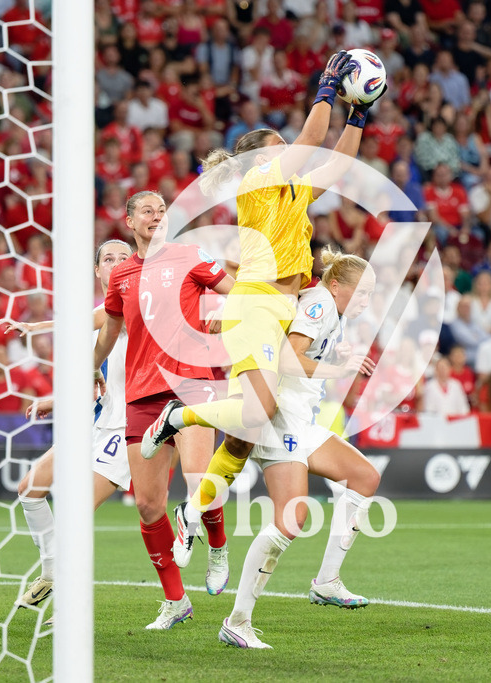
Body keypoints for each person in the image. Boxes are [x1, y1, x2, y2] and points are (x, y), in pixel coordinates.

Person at [142, 52, 382, 572]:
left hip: (276, 307)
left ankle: (194, 510)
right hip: (255, 301)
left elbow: (337, 163)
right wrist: (326, 88)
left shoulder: (291, 192)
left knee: (250, 429)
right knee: (256, 412)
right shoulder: (256, 182)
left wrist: (358, 114)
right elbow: (312, 143)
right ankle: (176, 417)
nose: (288, 151)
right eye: (278, 146)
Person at [220, 248, 378, 649]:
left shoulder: (330, 310)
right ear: (337, 285)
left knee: (364, 477)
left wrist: (332, 352)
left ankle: (326, 581)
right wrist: (339, 368)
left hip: (300, 418)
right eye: (361, 294)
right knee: (291, 517)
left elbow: (305, 349)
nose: (365, 303)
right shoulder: (320, 304)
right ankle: (238, 620)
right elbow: (288, 359)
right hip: (281, 417)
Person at [93, 191, 236, 629]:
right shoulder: (122, 275)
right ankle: (176, 601)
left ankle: (217, 546)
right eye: (147, 211)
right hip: (143, 392)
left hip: (193, 381)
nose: (157, 216)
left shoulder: (191, 255)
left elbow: (238, 293)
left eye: (162, 210)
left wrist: (226, 317)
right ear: (129, 219)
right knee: (149, 506)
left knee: (198, 482)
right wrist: (89, 368)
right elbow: (110, 329)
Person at [3, 239, 133, 617]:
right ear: (97, 270)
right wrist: (53, 401)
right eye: (108, 258)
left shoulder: (137, 304)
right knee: (30, 488)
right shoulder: (99, 314)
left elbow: (96, 321)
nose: (116, 263)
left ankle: (73, 602)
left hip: (124, 426)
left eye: (124, 258)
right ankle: (52, 572)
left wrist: (34, 324)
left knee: (81, 510)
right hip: (93, 421)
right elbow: (91, 379)